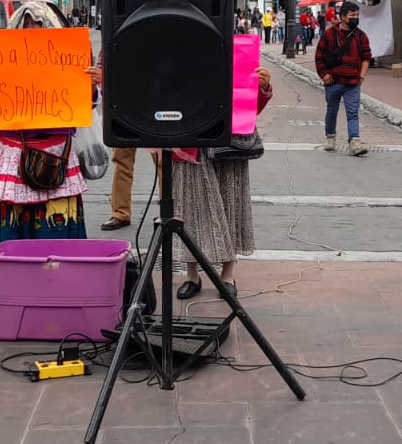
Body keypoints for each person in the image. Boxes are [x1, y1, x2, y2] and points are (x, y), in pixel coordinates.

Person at [88, 63, 273, 299]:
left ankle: (228, 274)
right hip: (188, 143)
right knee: (188, 210)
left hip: (229, 142)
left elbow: (247, 103)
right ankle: (191, 274)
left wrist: (262, 88)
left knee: (230, 205)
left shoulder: (229, 49)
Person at [0, 2, 89, 244]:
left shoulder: (65, 63)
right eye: (26, 29)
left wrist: (92, 83)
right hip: (13, 152)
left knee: (53, 224)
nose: (32, 35)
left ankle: (55, 275)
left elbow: (86, 103)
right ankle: (15, 273)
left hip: (55, 153)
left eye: (39, 28)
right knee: (14, 225)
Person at [315, 0, 371, 156]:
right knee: (332, 111)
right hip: (333, 81)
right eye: (352, 15)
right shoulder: (329, 35)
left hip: (353, 82)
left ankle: (354, 142)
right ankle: (330, 136)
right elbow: (319, 56)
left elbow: (367, 57)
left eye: (357, 15)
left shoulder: (361, 36)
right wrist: (324, 74)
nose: (356, 18)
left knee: (353, 113)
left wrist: (361, 77)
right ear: (343, 17)